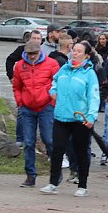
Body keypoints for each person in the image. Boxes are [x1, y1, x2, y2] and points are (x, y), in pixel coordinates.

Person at [41, 41, 100, 197]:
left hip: (80, 118)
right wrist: (52, 91)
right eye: (74, 50)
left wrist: (91, 117)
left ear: (86, 55)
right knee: (57, 150)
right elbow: (54, 81)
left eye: (79, 51)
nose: (75, 53)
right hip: (61, 116)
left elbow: (94, 97)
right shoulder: (64, 68)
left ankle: (82, 185)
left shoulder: (89, 73)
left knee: (80, 151)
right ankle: (53, 183)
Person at [13, 40, 60, 188]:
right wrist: (20, 102)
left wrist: (52, 102)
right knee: (28, 142)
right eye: (29, 54)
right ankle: (30, 175)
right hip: (27, 108)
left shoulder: (51, 64)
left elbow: (57, 83)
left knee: (49, 140)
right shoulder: (20, 66)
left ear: (40, 51)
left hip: (46, 106)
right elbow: (17, 86)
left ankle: (56, 171)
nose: (32, 56)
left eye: (34, 53)